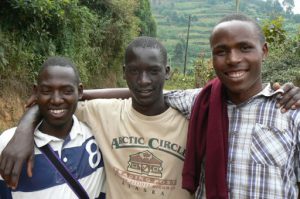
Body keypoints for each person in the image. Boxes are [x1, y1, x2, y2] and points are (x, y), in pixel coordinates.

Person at [1, 36, 300, 199]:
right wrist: (24, 128)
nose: (143, 81)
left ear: (167, 73)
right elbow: (59, 102)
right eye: (134, 72)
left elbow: (241, 103)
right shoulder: (104, 112)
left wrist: (285, 95)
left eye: (153, 71)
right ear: (124, 73)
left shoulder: (197, 115)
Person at [164, 13, 300, 198]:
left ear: (264, 51)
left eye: (245, 48)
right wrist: (110, 92)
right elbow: (149, 93)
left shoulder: (291, 111)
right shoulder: (201, 102)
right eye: (221, 51)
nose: (233, 59)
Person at [0, 56, 106, 198]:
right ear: (35, 91)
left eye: (67, 91)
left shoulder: (96, 135)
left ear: (80, 91)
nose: (56, 100)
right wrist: (23, 129)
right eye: (46, 91)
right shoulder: (9, 143)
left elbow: (140, 95)